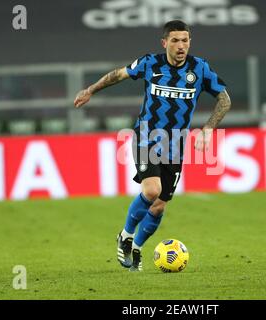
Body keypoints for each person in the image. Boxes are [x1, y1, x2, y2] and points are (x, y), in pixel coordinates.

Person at [74, 20, 231, 271]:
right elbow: (119, 74)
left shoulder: (199, 69)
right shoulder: (151, 63)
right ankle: (125, 236)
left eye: (185, 40)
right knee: (151, 190)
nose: (181, 46)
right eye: (175, 40)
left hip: (176, 145)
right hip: (146, 137)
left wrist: (208, 128)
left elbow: (224, 99)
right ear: (164, 42)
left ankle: (136, 248)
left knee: (158, 206)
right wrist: (91, 89)